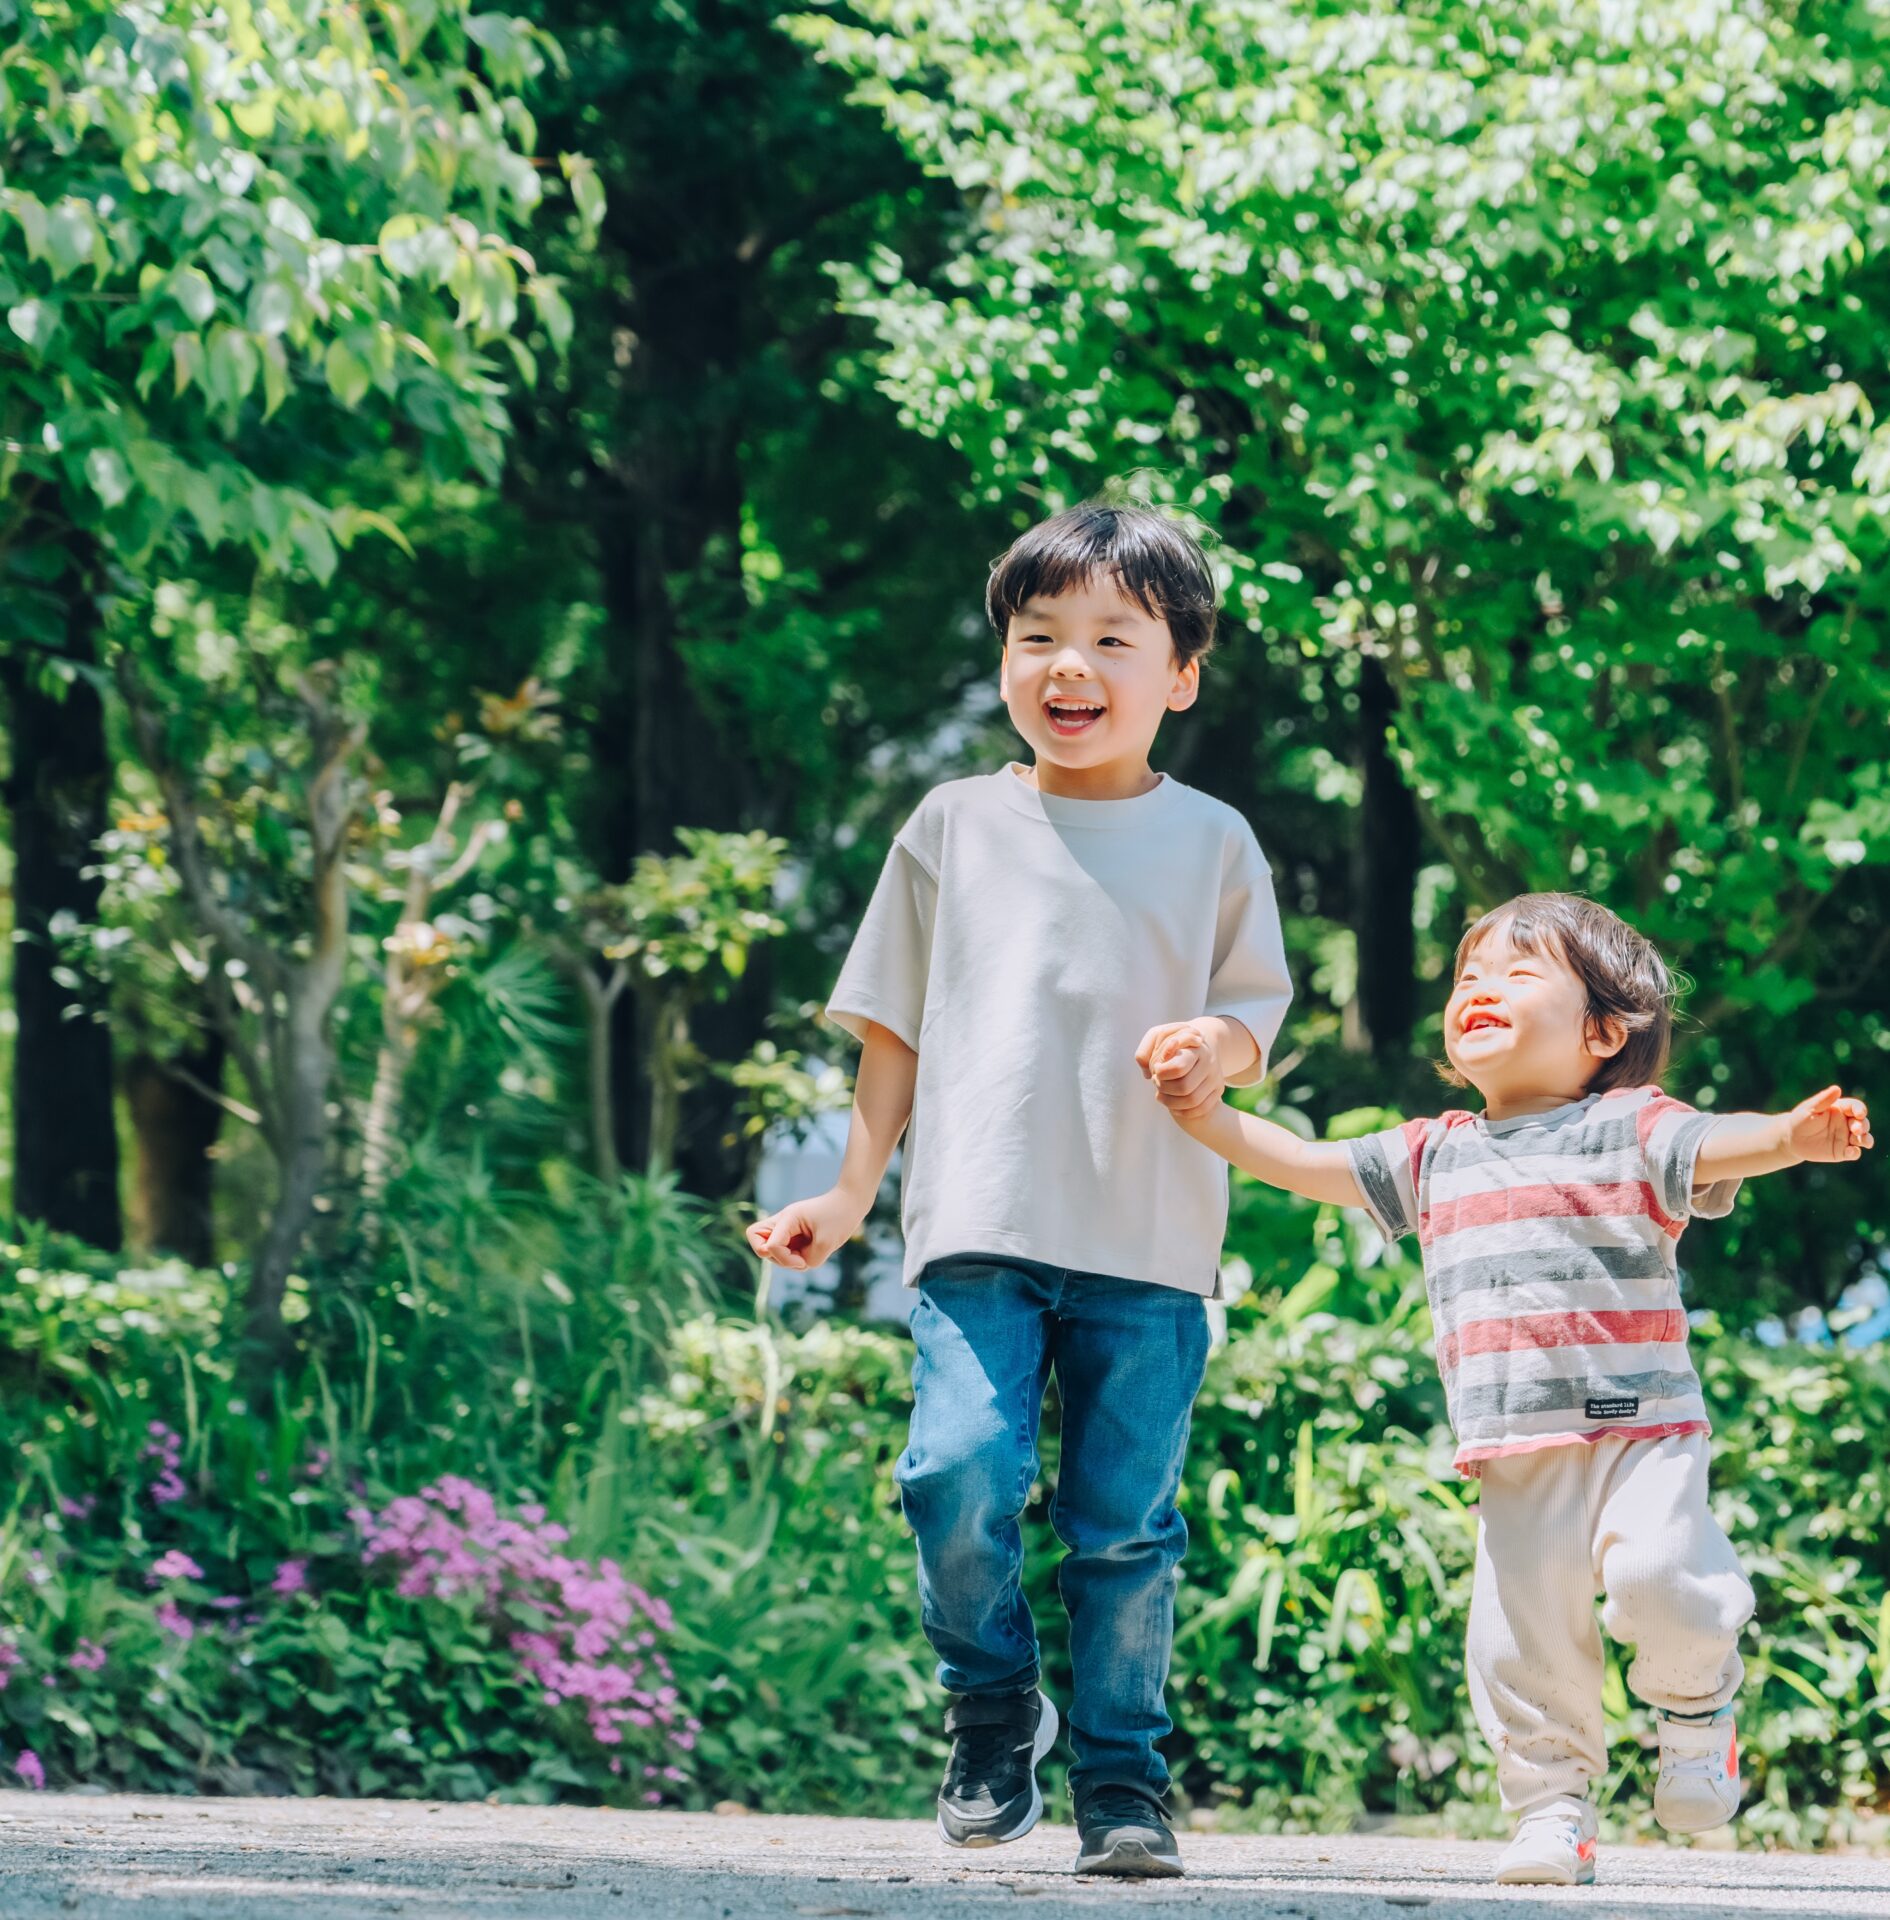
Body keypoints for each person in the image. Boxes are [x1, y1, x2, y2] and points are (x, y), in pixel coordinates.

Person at [747, 501, 1292, 1878]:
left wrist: (1212, 1045)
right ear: (1004, 659)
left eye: (1113, 638)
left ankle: (1123, 1785)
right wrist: (849, 1195)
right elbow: (892, 1028)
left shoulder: (1214, 840)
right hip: (976, 1224)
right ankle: (993, 1706)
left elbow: (1252, 1014)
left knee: (1124, 1530)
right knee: (954, 1473)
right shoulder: (953, 825)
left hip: (1151, 1238)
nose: (1070, 666)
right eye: (1038, 636)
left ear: (1181, 676)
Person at [1147, 891, 1872, 1887]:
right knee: (1520, 1641)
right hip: (1512, 1445)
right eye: (1468, 977)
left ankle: (1696, 1705)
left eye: (1519, 973)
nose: (1480, 988)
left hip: (1641, 1430)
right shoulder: (1435, 1152)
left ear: (1602, 1031)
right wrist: (1208, 1114)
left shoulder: (1629, 1125)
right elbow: (1307, 1164)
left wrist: (1792, 1135)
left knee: (1663, 1575)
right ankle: (1552, 1810)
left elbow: (1715, 1144)